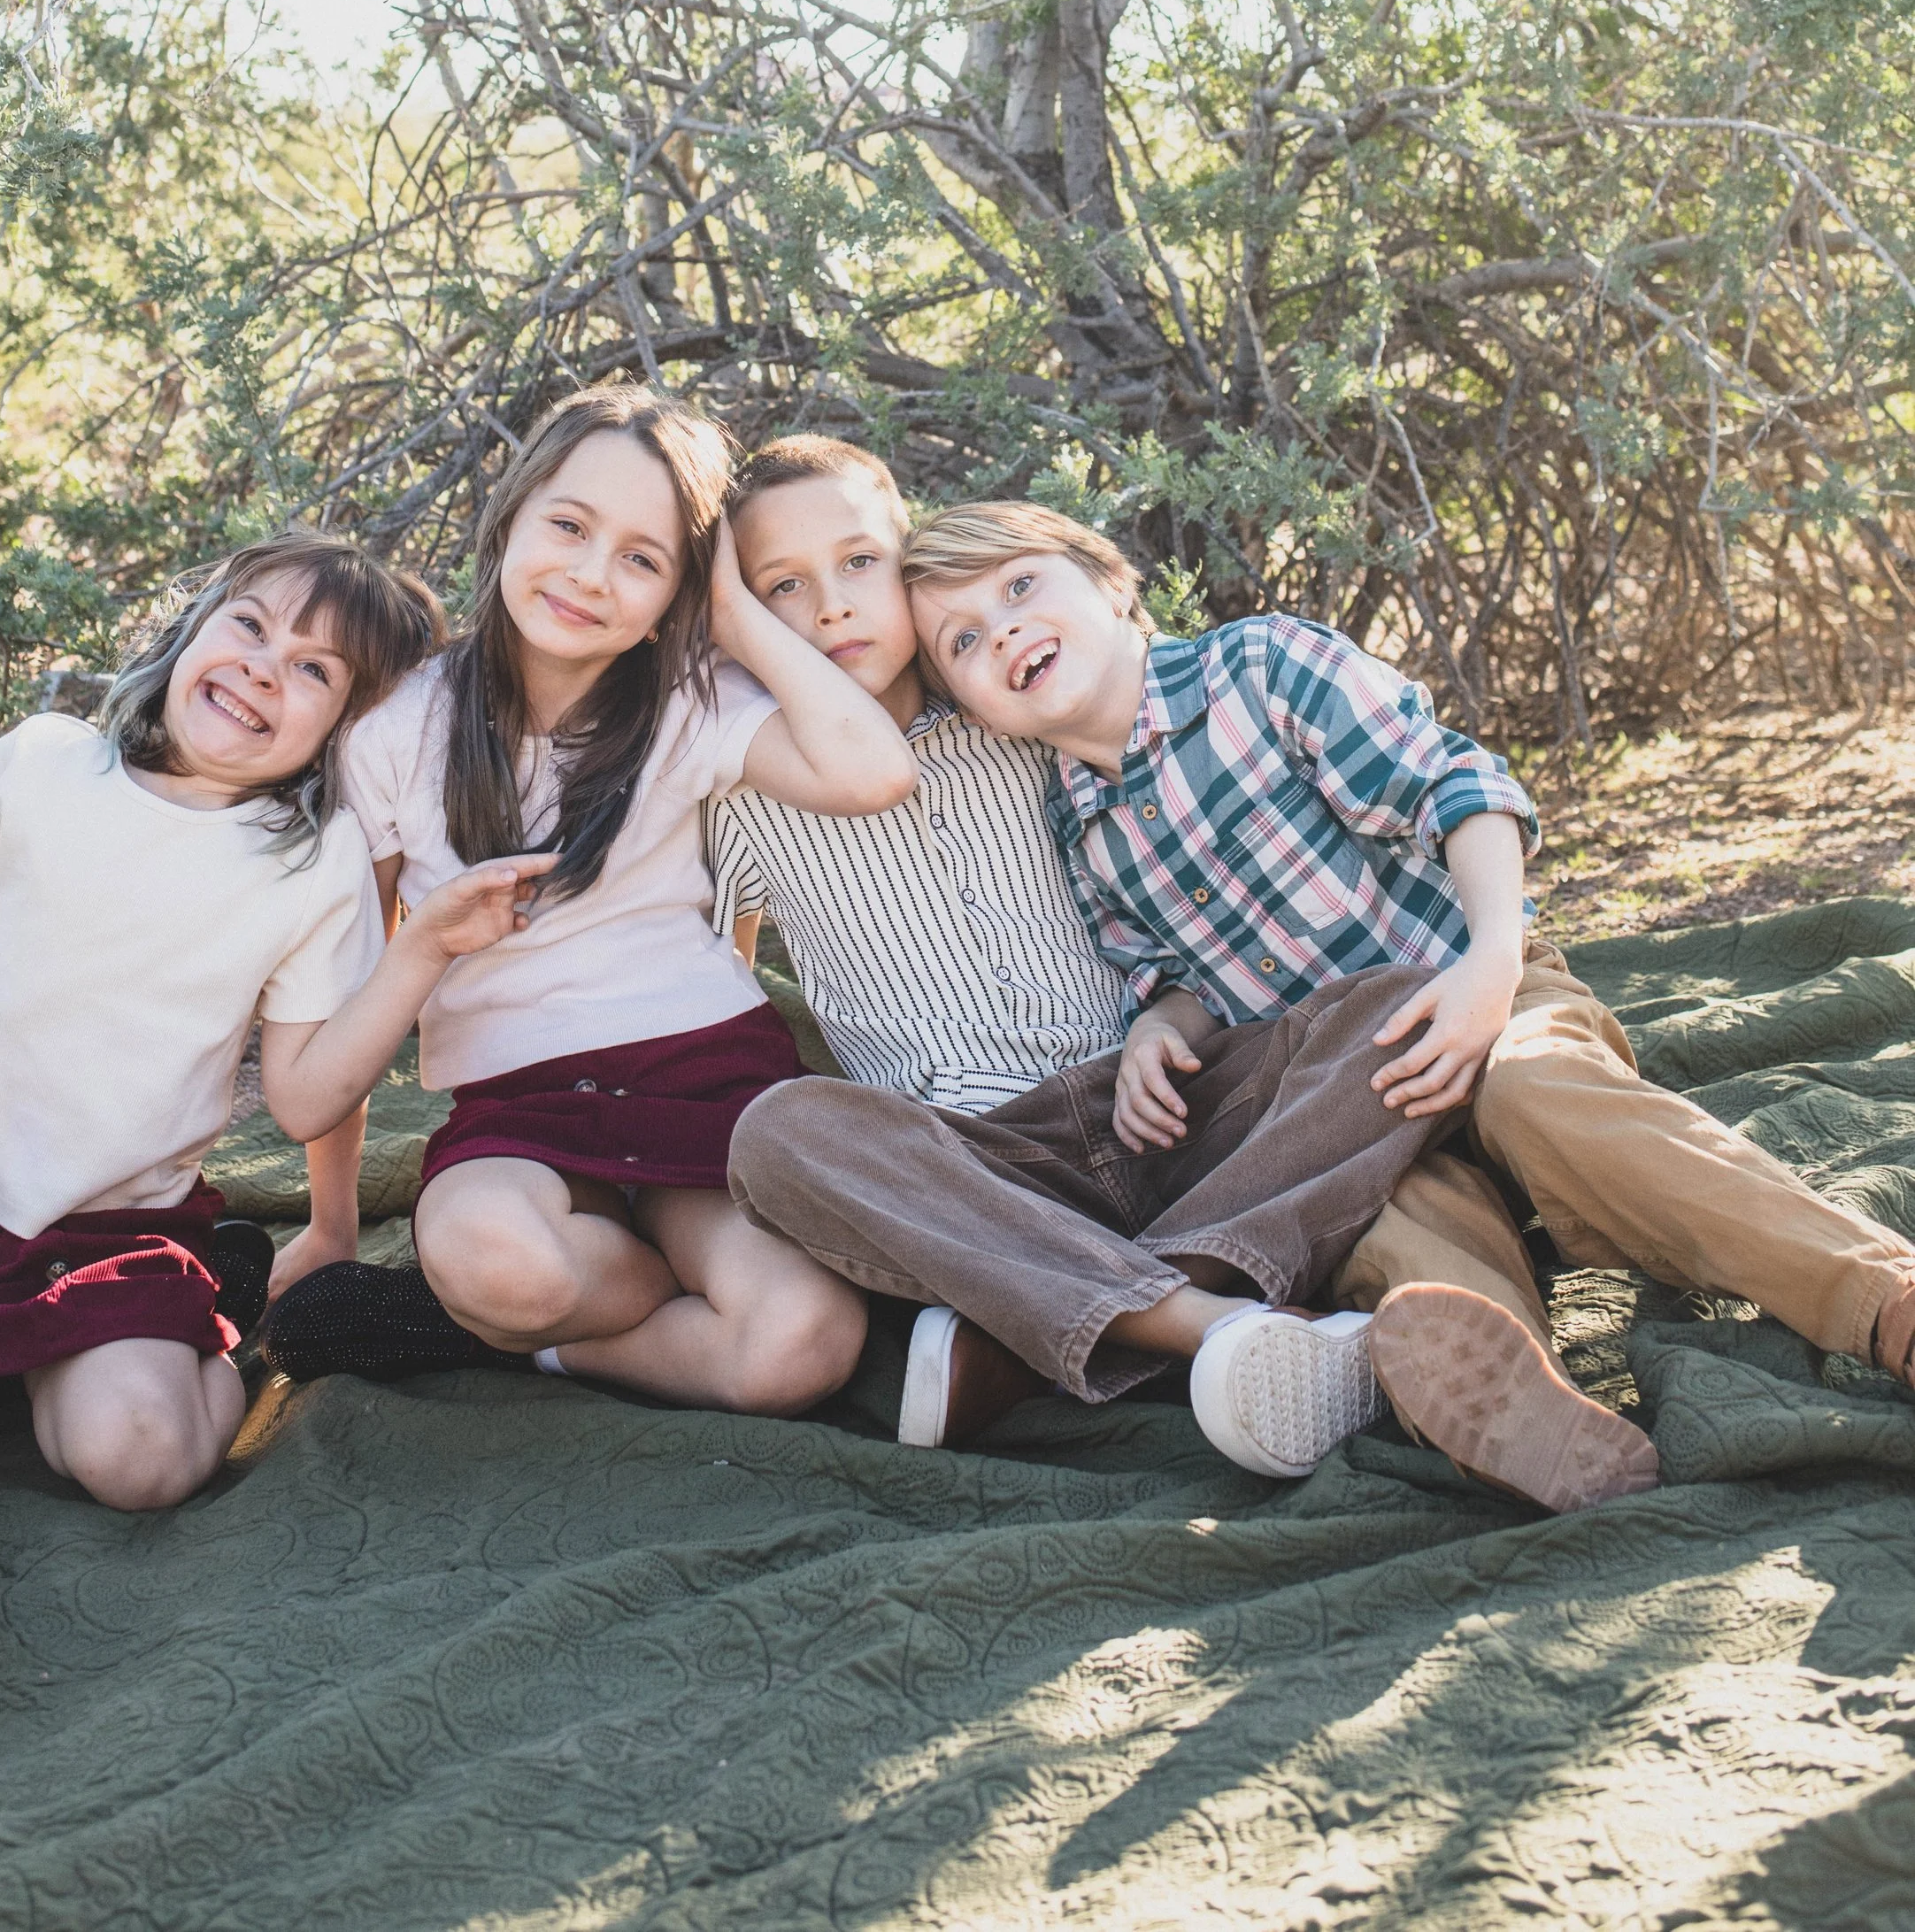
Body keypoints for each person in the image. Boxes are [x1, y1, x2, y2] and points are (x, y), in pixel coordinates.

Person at [896, 498, 1915, 1509]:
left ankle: (1881, 1301)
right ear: (976, 710)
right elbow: (1171, 974)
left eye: (1020, 585)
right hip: (1353, 1102)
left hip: (1478, 986)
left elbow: (1458, 790)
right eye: (966, 639)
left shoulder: (1256, 667)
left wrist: (1488, 966)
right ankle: (1533, 1419)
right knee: (1384, 1236)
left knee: (1536, 1090)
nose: (1006, 630)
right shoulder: (1079, 827)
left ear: (1112, 583)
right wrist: (1161, 1030)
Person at [717, 437, 1470, 1475]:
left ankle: (1042, 1326)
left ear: (912, 561)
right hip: (983, 1170)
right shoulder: (745, 788)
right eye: (781, 590)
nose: (833, 608)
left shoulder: (1021, 706)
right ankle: (1204, 1322)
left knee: (1384, 1004)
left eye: (858, 565)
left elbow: (1172, 895)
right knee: (778, 1134)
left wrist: (1168, 1024)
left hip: (1169, 1117)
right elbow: (717, 976)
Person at [0, 535, 552, 1512]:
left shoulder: (313, 865)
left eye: (313, 670)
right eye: (250, 625)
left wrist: (419, 952)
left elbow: (304, 1097)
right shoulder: (40, 765)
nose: (265, 665)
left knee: (141, 1463)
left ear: (343, 730)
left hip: (120, 1232)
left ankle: (193, 1308)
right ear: (192, 627)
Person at [258, 384, 917, 1416]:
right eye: (567, 525)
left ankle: (527, 1347)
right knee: (500, 1266)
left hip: (703, 1076)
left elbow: (874, 771)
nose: (589, 575)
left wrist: (733, 613)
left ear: (677, 594)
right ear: (509, 516)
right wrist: (332, 1227)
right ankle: (517, 1306)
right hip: (515, 1108)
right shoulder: (398, 728)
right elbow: (340, 1019)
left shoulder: (691, 703)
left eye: (643, 559)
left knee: (802, 1346)